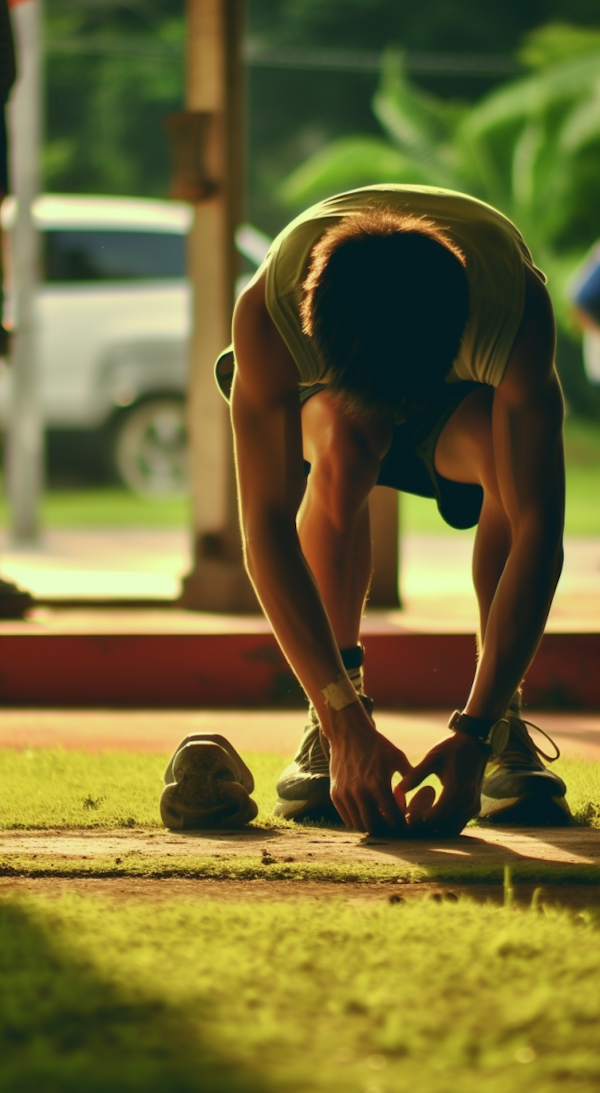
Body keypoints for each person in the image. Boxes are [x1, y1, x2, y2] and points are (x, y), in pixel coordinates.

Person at [218, 184, 569, 837]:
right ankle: (327, 727)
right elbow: (264, 526)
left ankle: (504, 718)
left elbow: (538, 530)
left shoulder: (512, 309)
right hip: (335, 395)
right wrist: (341, 715)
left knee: (508, 471)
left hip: (460, 397)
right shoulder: (268, 318)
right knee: (348, 453)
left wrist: (478, 728)